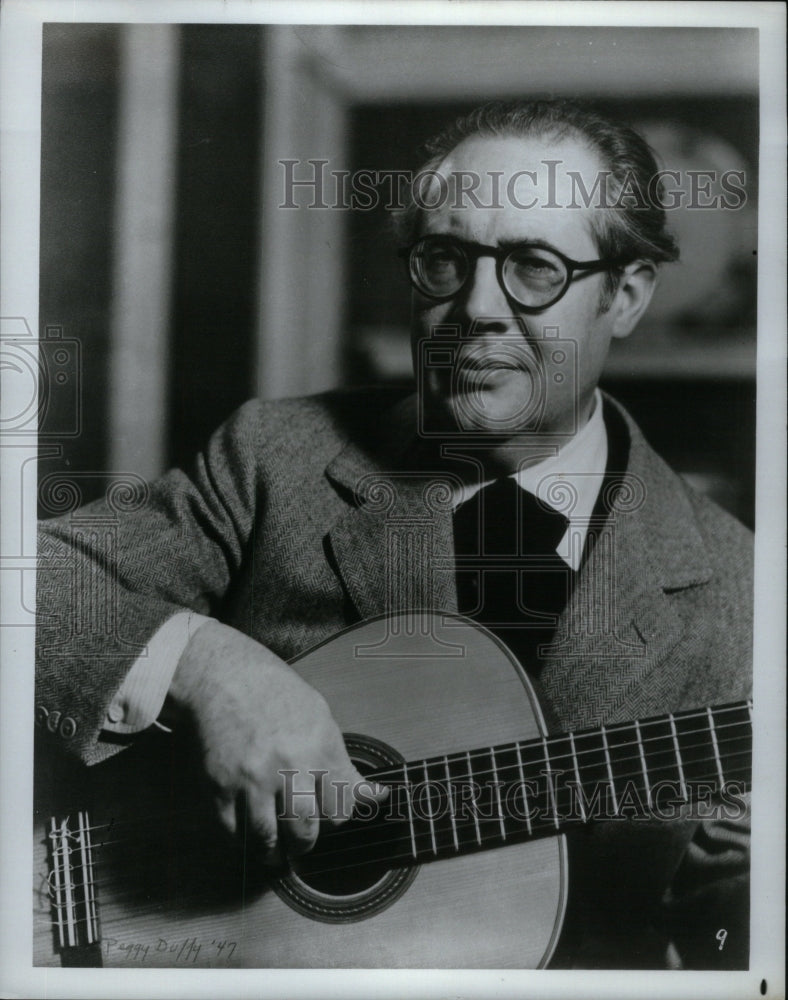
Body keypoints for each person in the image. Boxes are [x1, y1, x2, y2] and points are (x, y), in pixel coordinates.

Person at [36, 100, 752, 969]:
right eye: (446, 260)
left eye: (533, 267)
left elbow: (738, 927)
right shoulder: (276, 458)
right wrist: (210, 667)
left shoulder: (743, 602)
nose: (475, 309)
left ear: (626, 295)